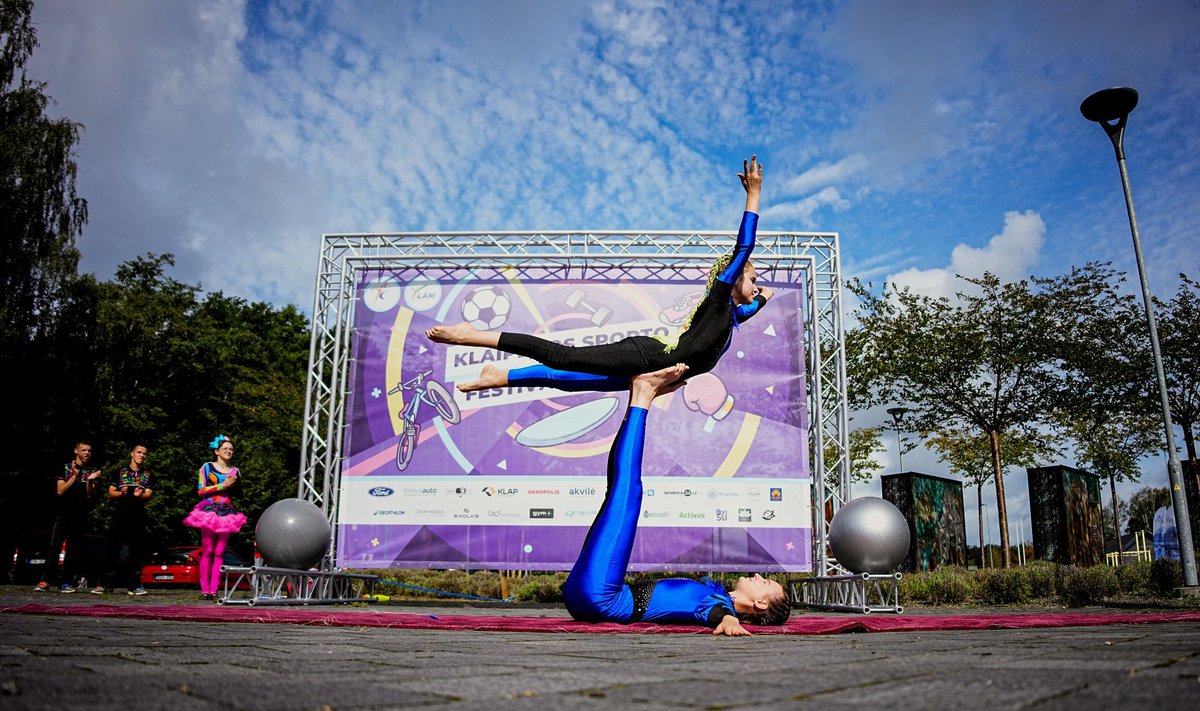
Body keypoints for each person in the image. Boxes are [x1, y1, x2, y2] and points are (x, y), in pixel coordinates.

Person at [427, 156, 774, 393]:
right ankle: (473, 335)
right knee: (562, 356)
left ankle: (500, 377)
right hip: (649, 356)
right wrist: (754, 195)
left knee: (571, 379)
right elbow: (744, 248)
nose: (755, 283)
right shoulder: (718, 298)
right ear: (732, 278)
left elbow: (750, 308)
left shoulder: (729, 317)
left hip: (656, 373)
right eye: (752, 278)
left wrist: (762, 298)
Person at [562, 364, 792, 635]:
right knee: (618, 490)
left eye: (764, 583)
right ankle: (638, 399)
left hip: (599, 597)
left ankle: (642, 396)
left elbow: (721, 615)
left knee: (627, 492)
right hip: (585, 597)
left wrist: (730, 622)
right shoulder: (715, 594)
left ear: (760, 604)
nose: (758, 576)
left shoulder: (719, 605)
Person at [182, 435, 247, 601]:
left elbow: (239, 494)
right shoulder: (207, 467)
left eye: (231, 449)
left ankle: (214, 590)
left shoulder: (235, 471)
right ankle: (205, 589)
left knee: (219, 552)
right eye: (225, 448)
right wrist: (222, 485)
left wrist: (236, 487)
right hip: (210, 510)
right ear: (217, 451)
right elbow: (200, 491)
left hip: (228, 512)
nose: (229, 451)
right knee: (208, 550)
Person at [35, 440, 104, 593]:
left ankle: (66, 582)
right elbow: (60, 490)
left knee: (73, 549)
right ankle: (45, 581)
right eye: (84, 450)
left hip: (80, 514)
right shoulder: (65, 468)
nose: (87, 453)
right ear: (76, 451)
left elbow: (90, 495)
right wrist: (74, 476)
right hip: (64, 513)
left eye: (89, 451)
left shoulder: (91, 470)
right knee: (55, 546)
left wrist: (90, 481)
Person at [91, 444, 153, 596]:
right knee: (113, 548)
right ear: (132, 454)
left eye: (144, 453)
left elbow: (149, 493)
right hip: (120, 514)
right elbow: (111, 492)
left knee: (136, 550)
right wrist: (122, 493)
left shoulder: (147, 474)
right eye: (139, 452)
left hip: (138, 515)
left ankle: (134, 585)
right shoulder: (121, 472)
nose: (141, 455)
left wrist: (140, 495)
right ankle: (106, 583)